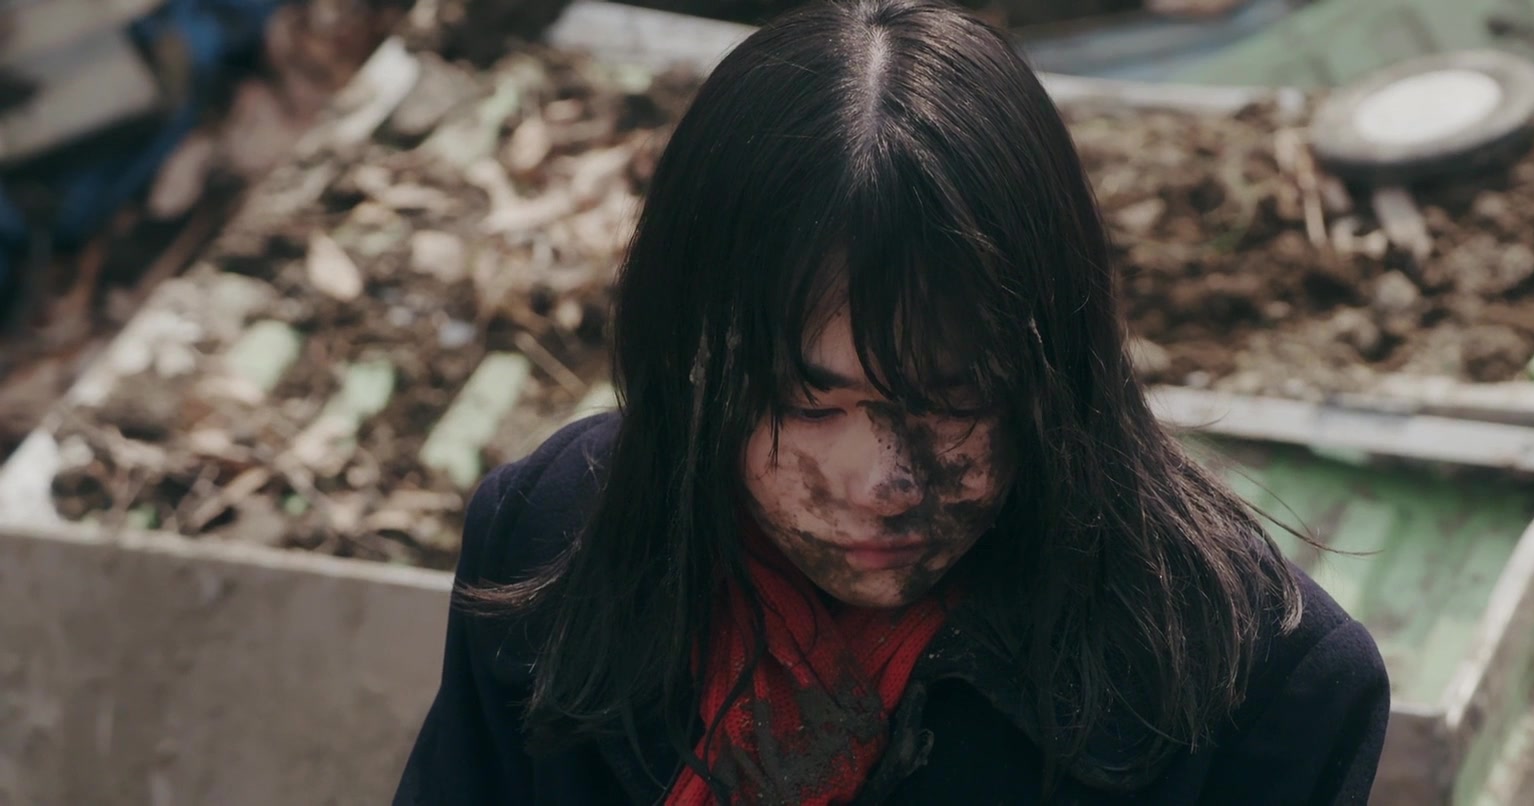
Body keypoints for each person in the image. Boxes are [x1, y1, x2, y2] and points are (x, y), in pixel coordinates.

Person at [394, 0, 1390, 803]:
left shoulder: (1258, 690)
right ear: (691, 364)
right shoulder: (555, 541)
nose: (882, 483)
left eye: (952, 399)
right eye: (805, 401)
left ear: (1057, 370)